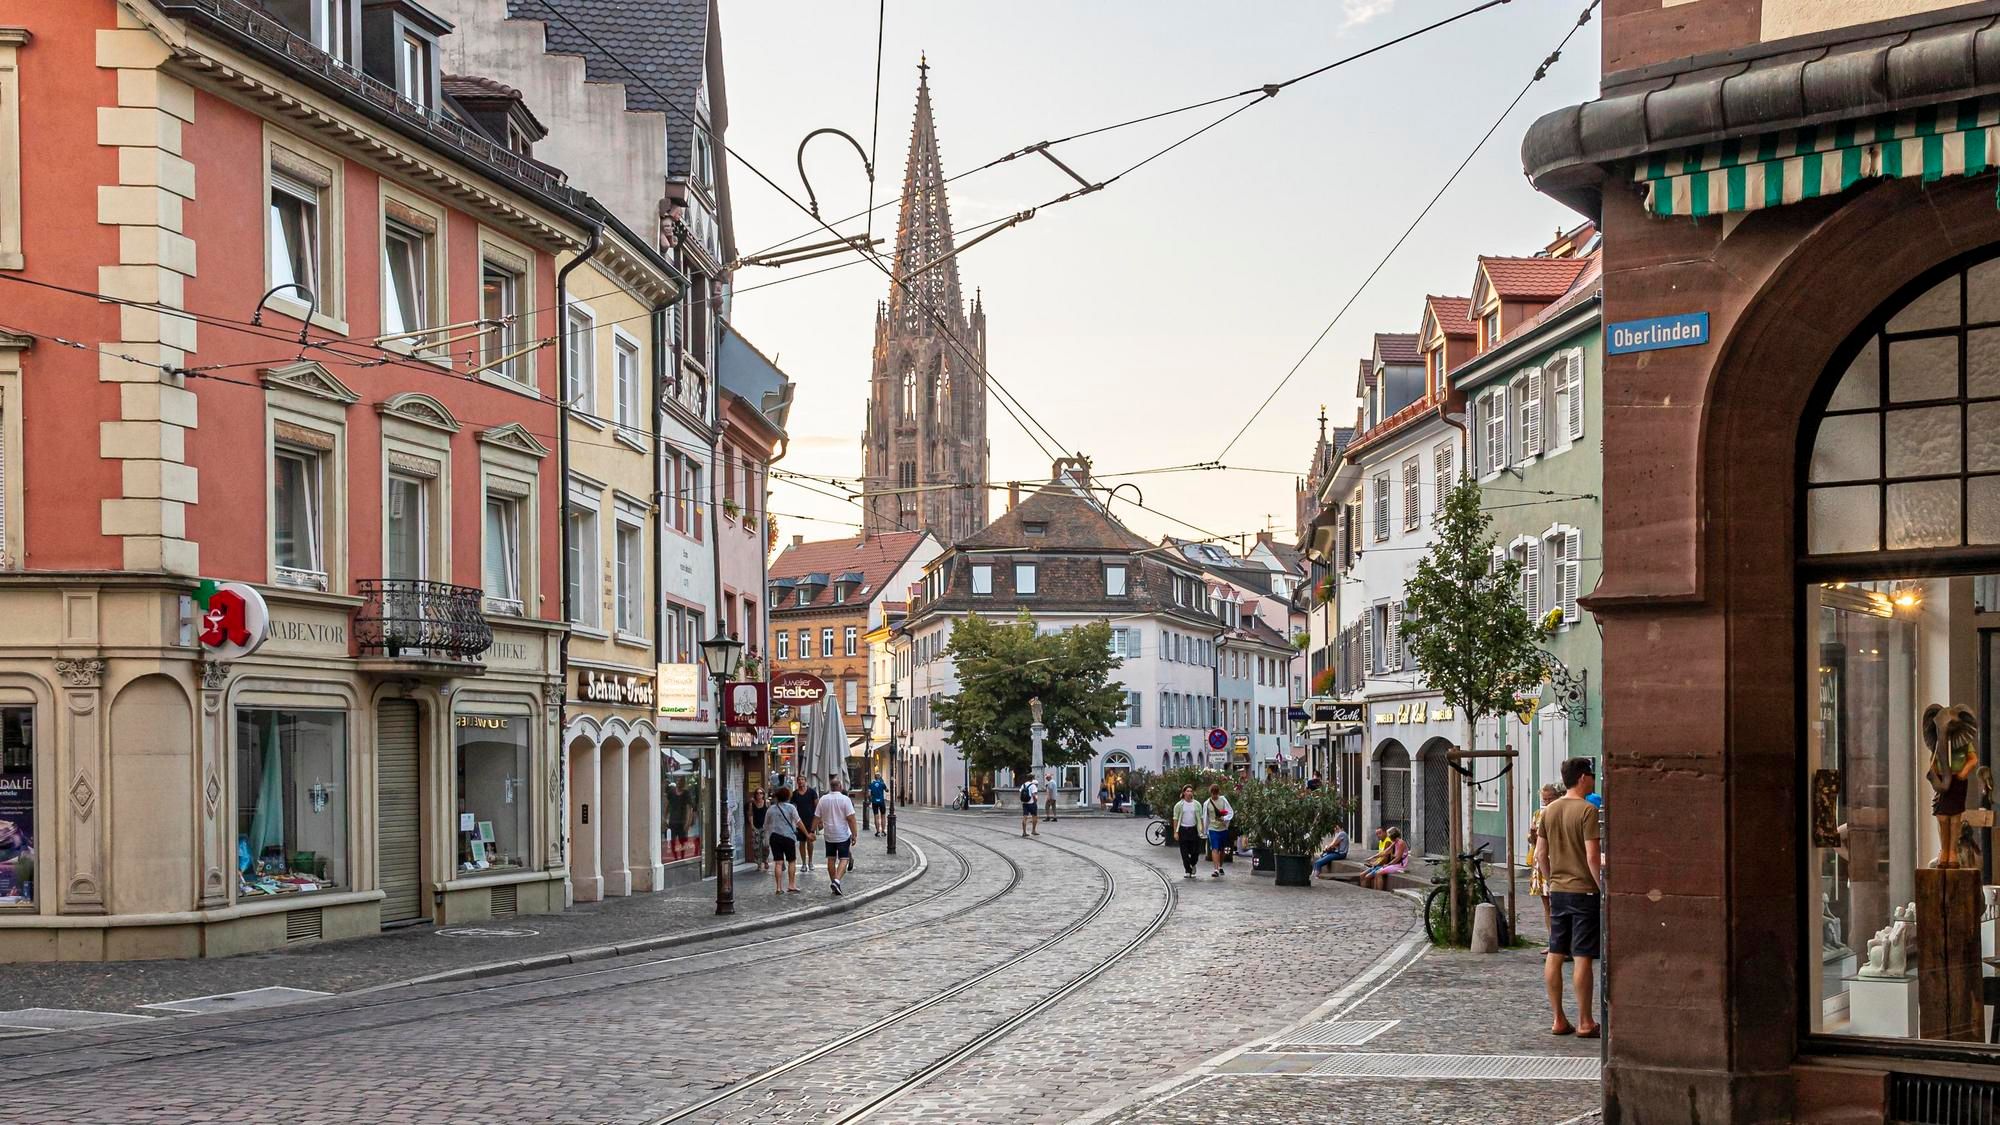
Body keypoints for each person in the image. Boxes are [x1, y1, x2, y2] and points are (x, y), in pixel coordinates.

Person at [1540, 757, 1603, 1039]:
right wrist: (1600, 886)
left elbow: (1541, 854)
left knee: (1555, 953)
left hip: (1558, 891)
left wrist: (1551, 878)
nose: (1593, 779)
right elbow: (1592, 855)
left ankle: (1558, 1019)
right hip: (1583, 891)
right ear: (1581, 778)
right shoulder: (1588, 810)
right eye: (1591, 774)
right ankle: (1585, 1021)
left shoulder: (1549, 810)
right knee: (1583, 956)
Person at [815, 778, 860, 895]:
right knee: (844, 859)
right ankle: (836, 880)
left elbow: (816, 817)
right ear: (840, 786)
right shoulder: (845, 799)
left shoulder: (823, 799)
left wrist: (810, 830)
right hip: (842, 835)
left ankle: (834, 883)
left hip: (829, 834)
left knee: (831, 859)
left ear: (831, 787)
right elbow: (851, 818)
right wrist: (854, 834)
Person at [1528, 782, 1562, 933]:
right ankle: (1552, 941)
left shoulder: (1561, 813)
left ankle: (1562, 942)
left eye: (1550, 799)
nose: (1547, 803)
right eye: (1545, 800)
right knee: (1547, 906)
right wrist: (1534, 834)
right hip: (1540, 864)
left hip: (1555, 861)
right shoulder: (1537, 815)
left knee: (1559, 905)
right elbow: (1533, 842)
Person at [765, 786, 805, 894]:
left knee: (778, 863)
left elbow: (766, 825)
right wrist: (806, 833)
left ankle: (778, 888)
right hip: (788, 837)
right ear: (788, 796)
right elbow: (798, 821)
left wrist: (767, 837)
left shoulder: (771, 809)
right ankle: (791, 885)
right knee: (791, 861)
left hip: (775, 837)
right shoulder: (791, 808)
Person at [1169, 784, 1205, 878]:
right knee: (1184, 852)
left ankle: (1192, 864)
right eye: (1187, 791)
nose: (1189, 793)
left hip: (1193, 829)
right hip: (1183, 830)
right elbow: (1175, 819)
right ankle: (1187, 870)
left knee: (1195, 851)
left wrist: (1202, 829)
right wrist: (1175, 832)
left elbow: (1200, 818)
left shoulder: (1197, 804)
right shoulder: (1179, 805)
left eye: (1191, 791)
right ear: (1184, 793)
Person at [1202, 784, 1233, 877]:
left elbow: (1230, 812)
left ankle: (1220, 866)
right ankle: (1215, 869)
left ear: (1218, 792)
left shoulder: (1223, 800)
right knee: (1215, 848)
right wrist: (1205, 830)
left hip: (1223, 828)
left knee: (1222, 849)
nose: (1214, 795)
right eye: (1213, 793)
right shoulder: (1207, 803)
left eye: (1216, 793)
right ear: (1210, 793)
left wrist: (1225, 818)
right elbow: (1205, 817)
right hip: (1212, 828)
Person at [792, 779, 820, 879]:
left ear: (806, 781)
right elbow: (793, 807)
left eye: (802, 780)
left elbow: (817, 805)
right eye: (799, 780)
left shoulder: (812, 792)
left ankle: (810, 861)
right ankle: (804, 863)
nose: (800, 782)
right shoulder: (795, 794)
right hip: (799, 821)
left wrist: (818, 819)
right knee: (801, 842)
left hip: (810, 820)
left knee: (810, 841)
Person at [665, 780, 690, 860]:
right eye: (678, 781)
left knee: (682, 840)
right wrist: (665, 817)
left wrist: (687, 822)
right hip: (673, 821)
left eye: (681, 781)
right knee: (673, 840)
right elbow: (668, 805)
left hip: (682, 822)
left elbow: (688, 808)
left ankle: (682, 857)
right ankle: (676, 857)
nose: (679, 783)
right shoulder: (672, 793)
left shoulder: (686, 793)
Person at [748, 789, 771, 872]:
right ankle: (759, 864)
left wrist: (768, 825)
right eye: (757, 793)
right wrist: (752, 826)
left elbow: (770, 814)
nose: (759, 794)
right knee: (756, 847)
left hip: (765, 827)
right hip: (756, 827)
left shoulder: (767, 802)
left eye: (761, 793)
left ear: (763, 794)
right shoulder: (752, 804)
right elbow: (750, 815)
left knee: (765, 845)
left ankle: (765, 860)